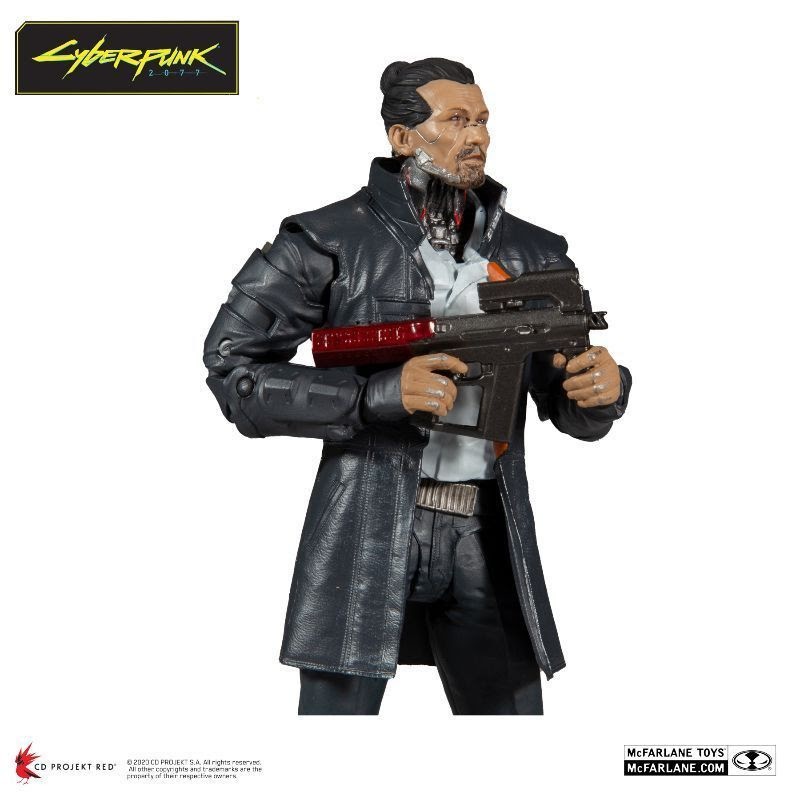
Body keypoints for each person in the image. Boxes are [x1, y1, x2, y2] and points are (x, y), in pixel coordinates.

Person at [203, 57, 632, 715]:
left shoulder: (535, 253)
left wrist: (600, 391)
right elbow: (233, 371)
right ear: (403, 137)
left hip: (487, 533)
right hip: (365, 527)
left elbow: (567, 401)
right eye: (455, 120)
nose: (476, 136)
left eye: (482, 120)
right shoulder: (325, 240)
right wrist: (372, 396)